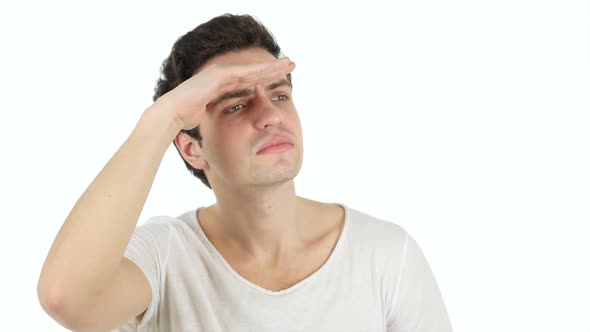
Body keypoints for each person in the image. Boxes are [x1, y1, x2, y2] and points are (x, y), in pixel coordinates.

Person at [37, 14, 452, 332]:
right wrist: (162, 118)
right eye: (235, 104)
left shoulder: (385, 255)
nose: (270, 115)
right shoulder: (163, 259)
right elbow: (66, 298)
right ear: (191, 148)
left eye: (280, 94)